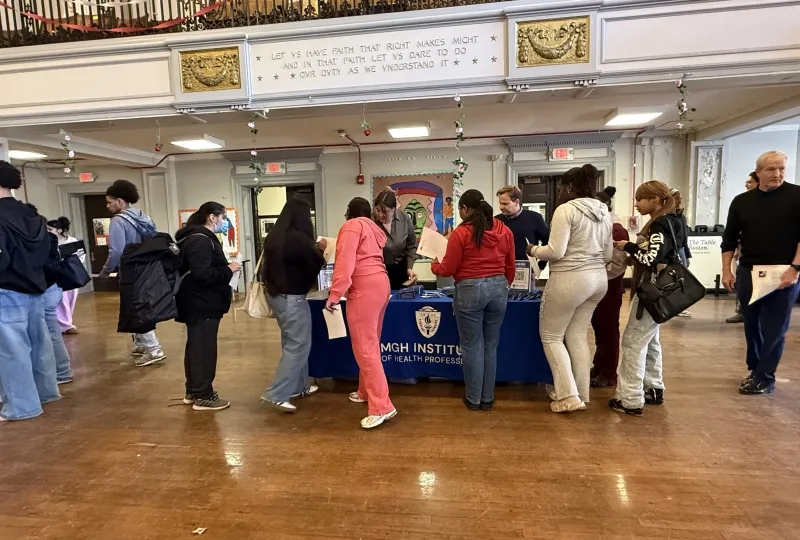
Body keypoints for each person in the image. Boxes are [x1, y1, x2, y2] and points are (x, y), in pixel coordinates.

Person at [527, 165, 612, 413]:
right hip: (598, 281)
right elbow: (607, 253)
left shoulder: (566, 210)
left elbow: (555, 251)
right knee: (576, 336)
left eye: (562, 188)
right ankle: (581, 392)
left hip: (570, 280)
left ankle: (567, 395)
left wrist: (533, 250)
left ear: (571, 187)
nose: (561, 192)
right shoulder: (603, 210)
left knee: (552, 336)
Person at [721, 151, 800, 395]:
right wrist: (727, 270)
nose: (777, 174)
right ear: (758, 172)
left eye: (782, 169)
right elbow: (729, 239)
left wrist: (795, 268)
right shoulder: (742, 202)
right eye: (771, 169)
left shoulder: (797, 196)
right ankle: (755, 368)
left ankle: (765, 377)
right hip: (749, 271)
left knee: (774, 328)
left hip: (783, 272)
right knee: (751, 325)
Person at [432, 190, 515, 412]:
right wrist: (503, 285)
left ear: (465, 209)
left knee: (471, 347)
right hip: (499, 288)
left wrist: (434, 265)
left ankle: (473, 399)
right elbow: (510, 266)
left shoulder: (461, 233)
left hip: (469, 289)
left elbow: (448, 269)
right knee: (490, 346)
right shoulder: (504, 230)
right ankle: (487, 398)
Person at [325, 197, 397, 429]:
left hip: (363, 287)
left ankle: (382, 406)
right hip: (381, 284)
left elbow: (344, 263)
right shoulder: (375, 229)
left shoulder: (351, 227)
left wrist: (335, 294)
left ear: (349, 212)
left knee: (365, 348)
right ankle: (365, 391)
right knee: (372, 342)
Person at [609, 181, 679, 416]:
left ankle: (629, 399)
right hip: (665, 291)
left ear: (656, 200)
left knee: (632, 343)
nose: (637, 204)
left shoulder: (659, 224)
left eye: (640, 200)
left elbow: (651, 258)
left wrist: (628, 246)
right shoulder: (676, 221)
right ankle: (653, 387)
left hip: (651, 290)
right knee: (651, 340)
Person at [0, 161, 61, 421]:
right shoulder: (33, 216)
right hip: (36, 287)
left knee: (11, 350)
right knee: (39, 343)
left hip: (6, 289)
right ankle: (46, 393)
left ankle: (22, 406)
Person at [261, 198, 327, 413]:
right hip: (293, 298)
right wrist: (322, 251)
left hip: (276, 296)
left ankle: (299, 386)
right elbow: (314, 264)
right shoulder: (298, 239)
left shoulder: (274, 236)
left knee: (291, 341)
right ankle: (277, 393)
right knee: (298, 346)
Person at [175, 202, 240, 411]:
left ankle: (193, 391)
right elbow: (202, 274)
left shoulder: (192, 237)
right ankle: (204, 395)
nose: (223, 222)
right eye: (222, 217)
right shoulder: (201, 241)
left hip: (197, 301)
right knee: (203, 348)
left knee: (196, 346)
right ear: (212, 217)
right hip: (202, 302)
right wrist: (228, 269)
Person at [99, 180, 163, 366]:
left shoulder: (118, 221)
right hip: (146, 267)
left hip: (130, 269)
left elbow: (117, 251)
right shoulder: (141, 216)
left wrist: (105, 271)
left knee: (136, 308)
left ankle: (153, 348)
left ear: (120, 201)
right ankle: (142, 344)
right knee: (136, 305)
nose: (108, 205)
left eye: (110, 202)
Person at [590, 186, 629, 388]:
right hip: (598, 287)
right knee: (599, 329)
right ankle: (599, 366)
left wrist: (592, 272)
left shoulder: (616, 229)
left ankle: (609, 373)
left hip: (609, 288)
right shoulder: (603, 226)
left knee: (608, 331)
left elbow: (617, 266)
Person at [726, 171, 759, 324]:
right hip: (746, 257)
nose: (747, 185)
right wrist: (738, 249)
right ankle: (741, 311)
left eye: (750, 182)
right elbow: (735, 233)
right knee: (742, 282)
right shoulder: (742, 203)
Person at [373, 188, 418, 290]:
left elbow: (412, 245)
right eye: (378, 210)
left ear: (394, 209)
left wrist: (409, 268)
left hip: (401, 270)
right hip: (378, 272)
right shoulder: (371, 221)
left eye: (385, 211)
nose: (380, 215)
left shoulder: (404, 219)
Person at [46, 217, 83, 335]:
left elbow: (81, 257)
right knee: (61, 300)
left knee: (71, 299)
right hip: (57, 274)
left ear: (59, 230)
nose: (48, 231)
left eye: (50, 229)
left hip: (71, 273)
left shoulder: (72, 240)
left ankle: (66, 322)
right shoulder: (49, 242)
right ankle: (65, 325)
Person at [495, 185, 549, 261]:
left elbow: (547, 242)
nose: (501, 207)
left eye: (505, 204)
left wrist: (541, 265)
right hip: (502, 268)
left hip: (528, 268)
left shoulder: (535, 218)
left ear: (517, 202)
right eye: (500, 203)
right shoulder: (496, 220)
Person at [669, 189, 693, 317]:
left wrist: (687, 255)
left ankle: (679, 305)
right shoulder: (668, 217)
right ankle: (675, 306)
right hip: (674, 251)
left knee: (682, 278)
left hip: (682, 250)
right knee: (676, 279)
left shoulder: (681, 216)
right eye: (677, 198)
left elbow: (684, 237)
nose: (680, 200)